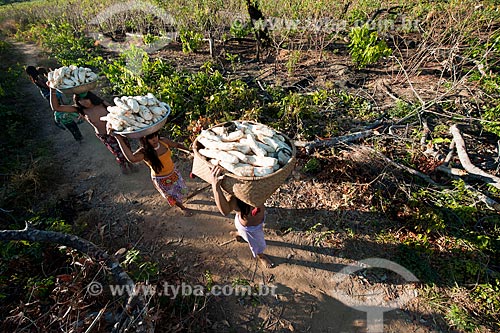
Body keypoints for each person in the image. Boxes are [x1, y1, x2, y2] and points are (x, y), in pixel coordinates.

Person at [49, 87, 135, 174]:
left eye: (86, 99)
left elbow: (116, 111)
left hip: (117, 131)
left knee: (126, 148)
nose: (84, 102)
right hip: (104, 135)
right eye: (80, 100)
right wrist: (52, 90)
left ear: (91, 97)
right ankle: (122, 164)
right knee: (117, 151)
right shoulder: (80, 110)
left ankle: (130, 163)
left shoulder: (102, 104)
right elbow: (56, 107)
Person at [112, 131, 192, 216]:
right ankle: (182, 208)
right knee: (171, 195)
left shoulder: (163, 141)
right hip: (162, 180)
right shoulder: (144, 152)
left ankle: (182, 197)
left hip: (173, 172)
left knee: (181, 188)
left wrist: (189, 150)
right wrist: (119, 138)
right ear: (144, 139)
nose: (154, 139)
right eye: (150, 138)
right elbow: (132, 158)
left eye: (155, 135)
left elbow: (177, 145)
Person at [210, 165, 275, 268]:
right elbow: (225, 210)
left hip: (250, 223)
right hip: (250, 228)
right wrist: (215, 186)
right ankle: (260, 255)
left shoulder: (259, 188)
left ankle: (239, 234)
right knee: (258, 244)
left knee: (245, 234)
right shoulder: (236, 198)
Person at [26, 66, 83, 141]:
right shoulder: (39, 74)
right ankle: (76, 117)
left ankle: (71, 121)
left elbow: (46, 87)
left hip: (49, 94)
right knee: (61, 107)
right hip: (53, 93)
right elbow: (49, 80)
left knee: (58, 107)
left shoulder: (36, 79)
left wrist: (52, 87)